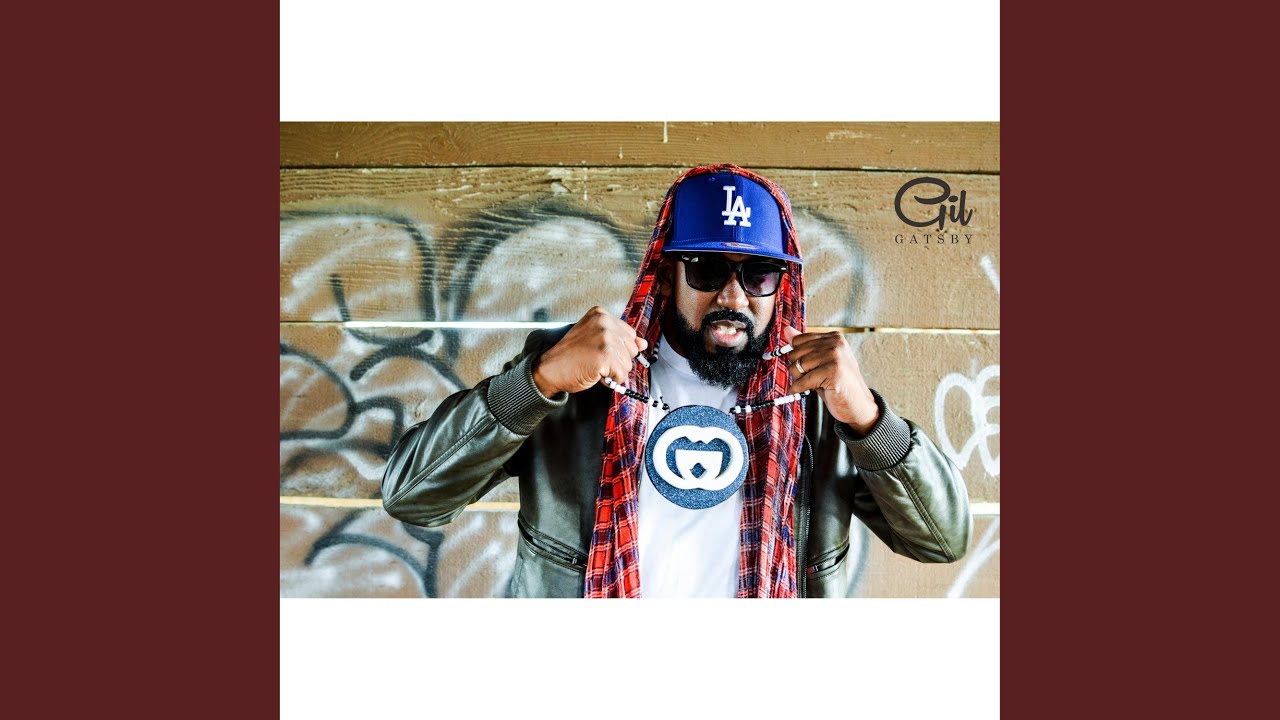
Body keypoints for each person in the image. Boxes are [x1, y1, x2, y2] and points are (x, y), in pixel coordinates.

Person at [382, 164, 971, 598]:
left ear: (781, 284)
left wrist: (869, 421)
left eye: (760, 274)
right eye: (708, 269)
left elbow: (941, 540)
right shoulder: (583, 378)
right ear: (665, 275)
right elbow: (411, 496)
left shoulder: (815, 403)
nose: (734, 297)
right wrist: (537, 383)